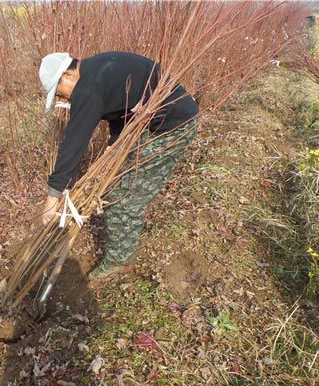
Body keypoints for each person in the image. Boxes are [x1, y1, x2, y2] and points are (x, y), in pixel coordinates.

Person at [38, 51, 199, 279]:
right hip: (159, 120)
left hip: (173, 127)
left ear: (67, 75)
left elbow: (74, 143)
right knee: (122, 184)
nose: (62, 99)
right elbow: (120, 107)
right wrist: (115, 146)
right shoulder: (96, 68)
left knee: (123, 200)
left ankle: (119, 260)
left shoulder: (87, 89)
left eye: (59, 92)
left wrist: (53, 196)